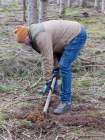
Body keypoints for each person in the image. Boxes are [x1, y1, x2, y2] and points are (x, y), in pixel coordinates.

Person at [14, 20, 87, 115]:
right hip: (62, 40)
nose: (25, 44)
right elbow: (52, 52)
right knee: (58, 67)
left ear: (26, 36)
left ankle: (66, 102)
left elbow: (47, 58)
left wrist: (48, 79)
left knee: (64, 66)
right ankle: (54, 87)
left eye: (24, 41)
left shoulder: (40, 36)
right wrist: (55, 69)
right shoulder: (33, 34)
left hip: (76, 35)